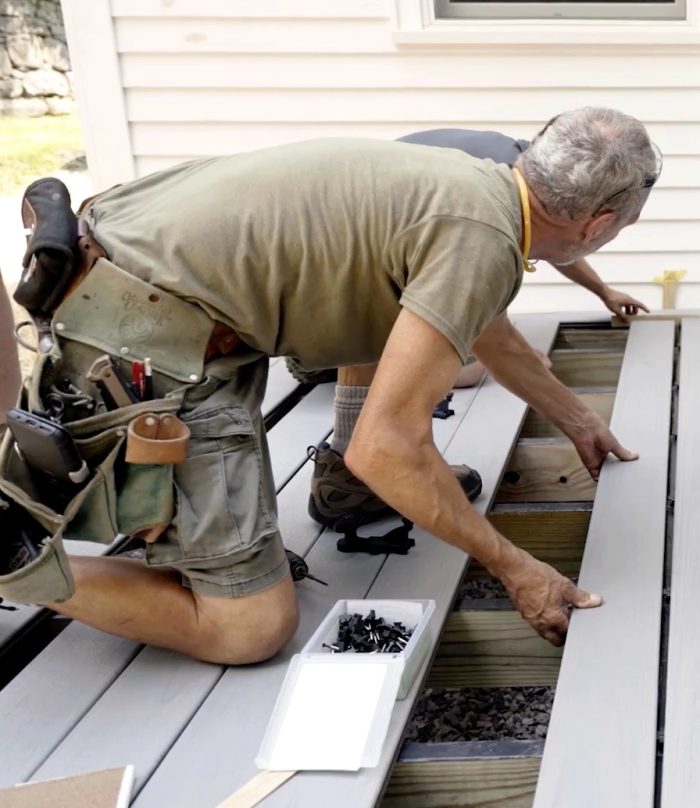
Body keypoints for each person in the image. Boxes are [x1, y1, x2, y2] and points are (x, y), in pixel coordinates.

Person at [2, 107, 659, 662]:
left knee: (397, 324)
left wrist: (577, 419)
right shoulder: (482, 238)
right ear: (598, 222)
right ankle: (12, 558)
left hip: (134, 276)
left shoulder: (476, 183)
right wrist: (519, 570)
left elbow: (485, 328)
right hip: (139, 339)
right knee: (251, 627)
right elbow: (387, 449)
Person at [305, 126, 648, 518]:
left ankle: (320, 378)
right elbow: (488, 326)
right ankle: (355, 476)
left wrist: (603, 293)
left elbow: (555, 247)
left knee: (409, 315)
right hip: (318, 286)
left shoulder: (523, 180)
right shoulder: (487, 202)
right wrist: (513, 566)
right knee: (453, 364)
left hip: (323, 273)